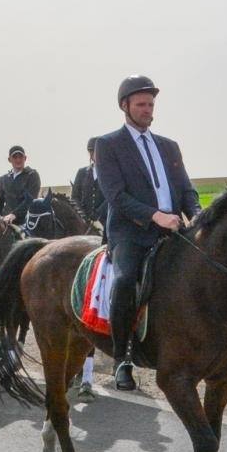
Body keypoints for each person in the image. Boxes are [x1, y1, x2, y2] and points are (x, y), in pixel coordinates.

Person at [95, 75, 201, 391]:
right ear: (124, 106)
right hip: (131, 232)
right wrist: (156, 217)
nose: (147, 110)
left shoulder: (169, 146)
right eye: (141, 104)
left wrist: (196, 214)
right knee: (126, 279)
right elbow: (116, 196)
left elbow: (185, 187)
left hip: (173, 228)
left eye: (151, 104)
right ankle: (122, 358)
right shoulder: (108, 144)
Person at [0, 146, 41, 224]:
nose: (18, 160)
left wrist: (14, 214)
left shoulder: (32, 175)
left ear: (25, 158)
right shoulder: (3, 179)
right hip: (6, 221)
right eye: (15, 157)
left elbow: (30, 199)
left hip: (27, 221)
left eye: (20, 157)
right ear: (9, 160)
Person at [70, 137, 106, 233]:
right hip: (84, 221)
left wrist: (98, 214)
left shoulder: (110, 172)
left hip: (105, 219)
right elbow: (74, 197)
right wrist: (82, 215)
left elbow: (112, 196)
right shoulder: (82, 172)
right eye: (93, 151)